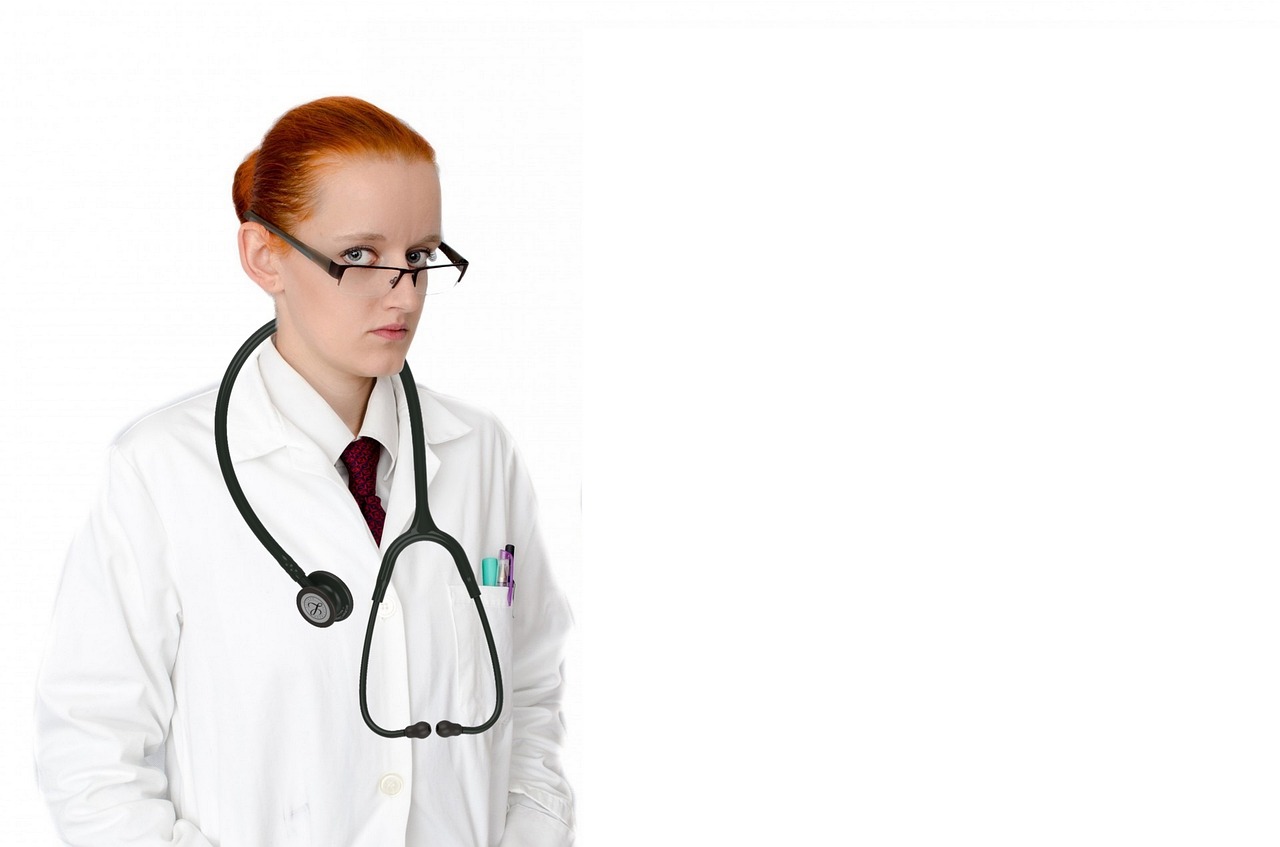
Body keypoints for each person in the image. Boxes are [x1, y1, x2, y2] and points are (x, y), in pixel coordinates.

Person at [34, 96, 575, 847]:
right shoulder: (160, 470)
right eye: (359, 256)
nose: (405, 292)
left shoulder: (481, 454)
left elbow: (533, 702)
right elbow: (92, 759)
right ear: (264, 256)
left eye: (421, 255)